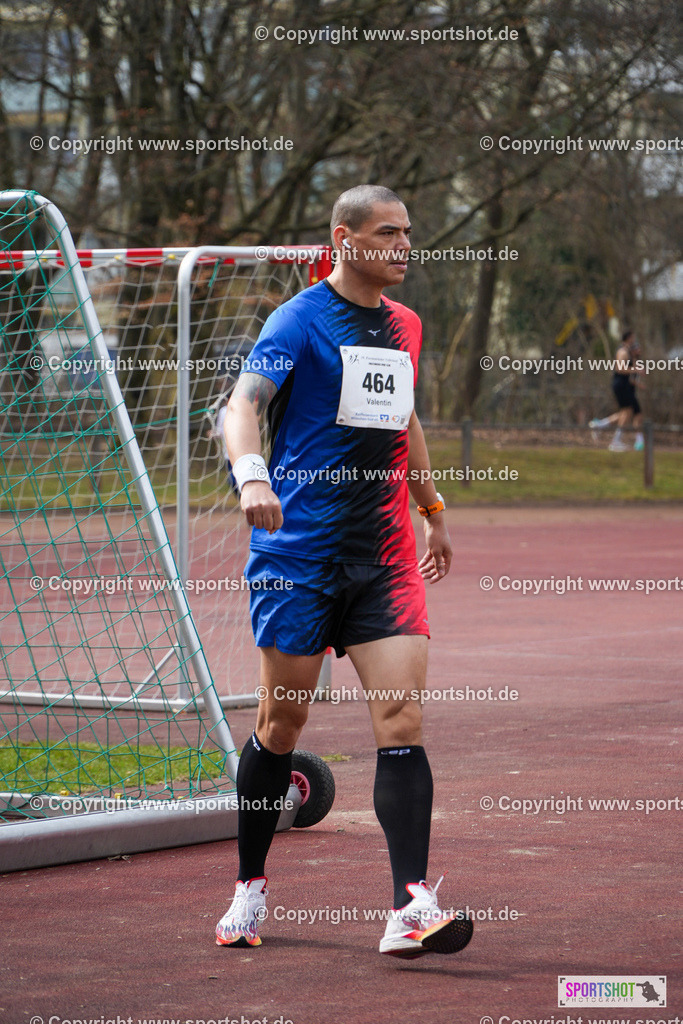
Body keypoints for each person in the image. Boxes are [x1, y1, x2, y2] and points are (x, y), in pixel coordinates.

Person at [216, 184, 474, 960]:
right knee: (280, 726)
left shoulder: (406, 325)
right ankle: (250, 885)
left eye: (408, 234)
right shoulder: (296, 321)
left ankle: (408, 907)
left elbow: (404, 417)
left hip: (384, 557)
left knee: (401, 723)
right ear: (344, 238)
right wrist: (252, 476)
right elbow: (243, 403)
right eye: (387, 234)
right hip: (297, 556)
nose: (403, 247)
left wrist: (430, 508)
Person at [589, 330, 645, 451]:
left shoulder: (628, 352)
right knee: (628, 411)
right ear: (628, 338)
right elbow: (620, 369)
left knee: (627, 412)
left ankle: (601, 426)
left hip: (624, 385)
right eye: (633, 338)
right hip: (621, 385)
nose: (634, 341)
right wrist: (635, 370)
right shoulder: (622, 351)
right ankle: (615, 440)